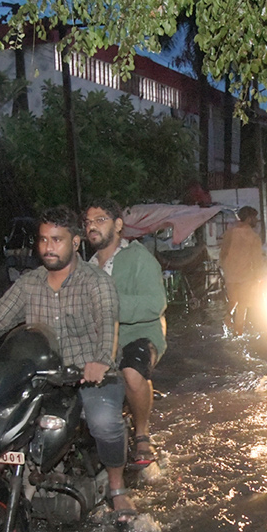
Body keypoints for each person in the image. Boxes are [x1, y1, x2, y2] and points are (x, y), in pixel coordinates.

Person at [0, 206, 137, 525]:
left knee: (103, 423)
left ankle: (117, 487)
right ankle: (4, 487)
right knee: (1, 420)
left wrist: (99, 362)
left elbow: (107, 324)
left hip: (89, 375)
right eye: (43, 240)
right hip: (41, 375)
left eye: (57, 240)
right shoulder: (29, 283)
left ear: (75, 242)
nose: (48, 247)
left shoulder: (95, 282)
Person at [84, 198, 166, 467]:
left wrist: (109, 306)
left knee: (131, 372)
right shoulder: (85, 267)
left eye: (100, 220)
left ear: (118, 225)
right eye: (88, 222)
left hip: (137, 334)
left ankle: (142, 433)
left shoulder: (139, 257)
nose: (92, 227)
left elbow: (155, 304)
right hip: (98, 341)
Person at [218, 205, 264, 332]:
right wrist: (259, 279)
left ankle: (227, 318)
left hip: (231, 274)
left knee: (233, 301)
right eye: (255, 217)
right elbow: (257, 261)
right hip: (246, 276)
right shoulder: (254, 237)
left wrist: (225, 269)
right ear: (249, 218)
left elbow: (223, 253)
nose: (256, 220)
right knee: (242, 305)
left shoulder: (230, 232)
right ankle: (238, 332)